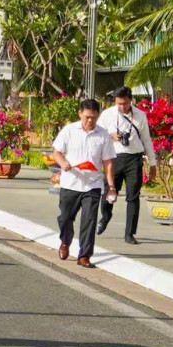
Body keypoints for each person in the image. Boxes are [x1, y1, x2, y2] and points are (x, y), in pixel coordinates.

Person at [50, 97, 116, 267]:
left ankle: (84, 255)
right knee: (65, 218)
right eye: (87, 116)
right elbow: (57, 152)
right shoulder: (69, 130)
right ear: (80, 114)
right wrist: (63, 163)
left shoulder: (103, 135)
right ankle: (65, 241)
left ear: (98, 115)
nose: (90, 120)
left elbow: (108, 163)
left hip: (92, 185)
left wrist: (111, 187)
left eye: (93, 117)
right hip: (71, 183)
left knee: (89, 220)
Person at [98, 86, 156, 245]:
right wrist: (110, 135)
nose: (122, 107)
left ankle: (130, 233)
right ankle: (105, 216)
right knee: (108, 193)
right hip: (113, 158)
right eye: (119, 104)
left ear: (131, 100)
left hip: (134, 159)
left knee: (133, 197)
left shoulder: (140, 116)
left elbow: (147, 140)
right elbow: (97, 135)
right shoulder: (107, 115)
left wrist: (153, 163)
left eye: (125, 103)